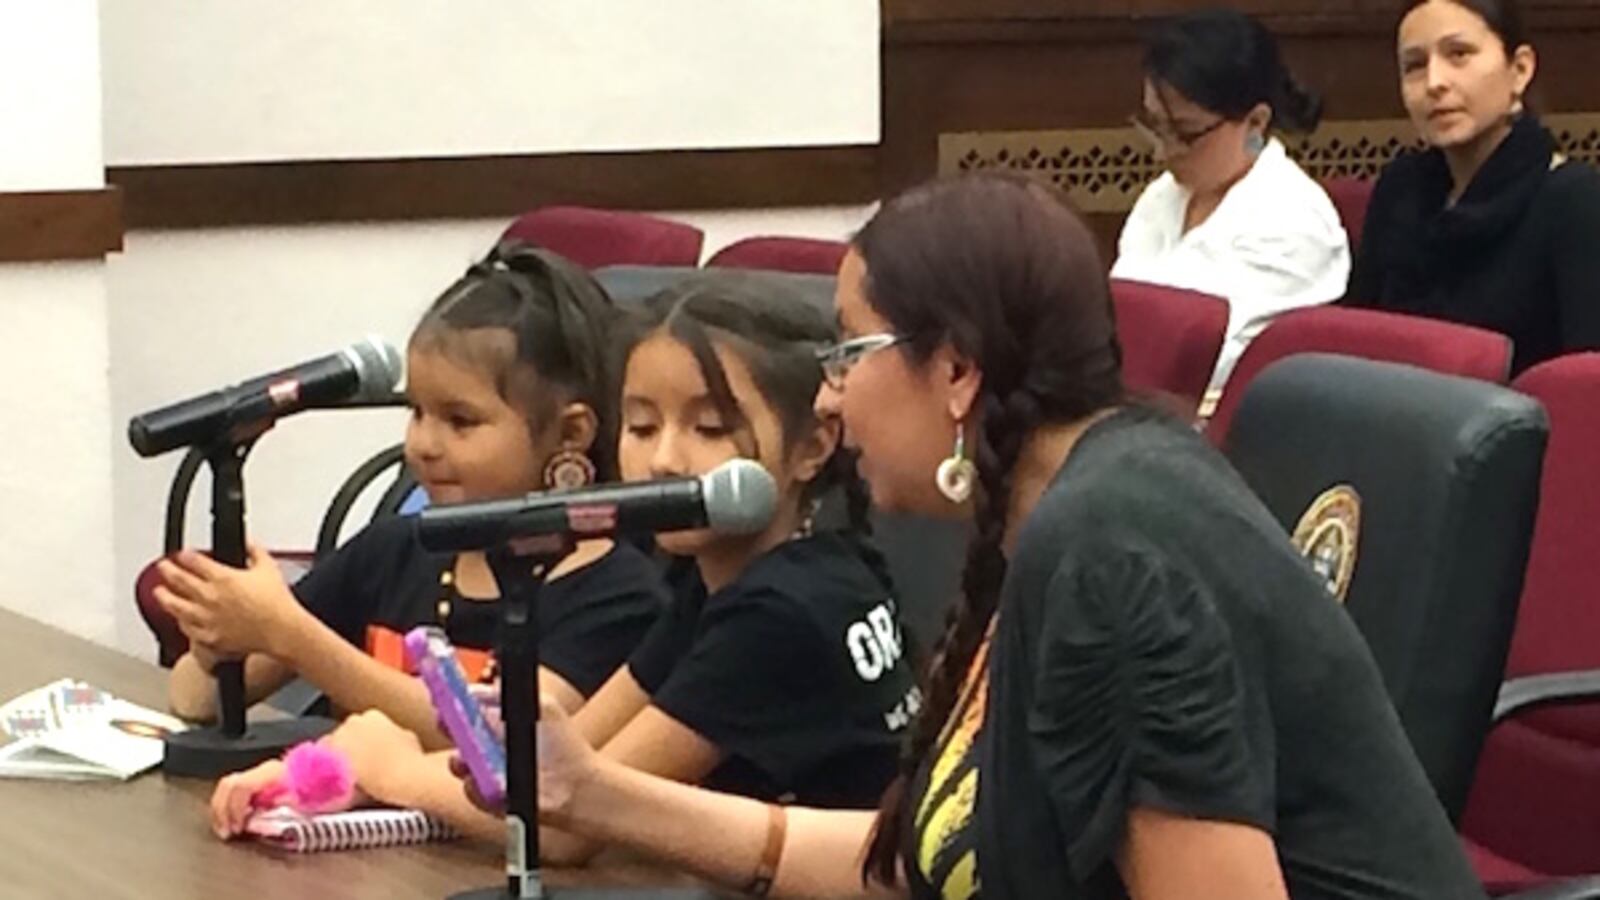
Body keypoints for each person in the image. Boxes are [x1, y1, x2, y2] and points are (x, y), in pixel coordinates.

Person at [463, 173, 1483, 900]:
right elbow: (930, 858)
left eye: (850, 350)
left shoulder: (1110, 555)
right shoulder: (1054, 506)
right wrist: (594, 796)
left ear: (955, 370)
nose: (831, 392)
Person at [208, 271, 921, 861]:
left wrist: (391, 770)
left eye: (709, 428)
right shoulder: (726, 576)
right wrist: (324, 772)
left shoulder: (784, 610)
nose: (665, 459)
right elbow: (570, 758)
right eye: (641, 427)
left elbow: (568, 818)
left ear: (813, 446)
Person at [160, 242, 666, 743]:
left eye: (459, 421)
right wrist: (220, 634)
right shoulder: (392, 551)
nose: (423, 444)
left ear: (570, 432)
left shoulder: (617, 593)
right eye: (417, 412)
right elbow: (195, 700)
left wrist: (291, 636)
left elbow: (504, 745)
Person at [1343, 0, 1600, 375]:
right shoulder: (1401, 189)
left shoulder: (1574, 199)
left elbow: (1585, 390)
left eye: (1459, 54)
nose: (1434, 83)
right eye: (1414, 66)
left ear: (1520, 69)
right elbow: (1354, 340)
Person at [1112, 9, 1350, 399]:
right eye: (1154, 126)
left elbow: (1195, 362)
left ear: (1255, 122)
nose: (1162, 153)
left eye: (1185, 133)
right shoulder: (1163, 196)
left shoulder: (1294, 222)